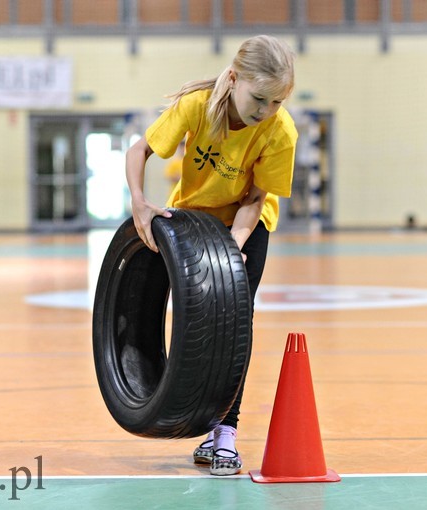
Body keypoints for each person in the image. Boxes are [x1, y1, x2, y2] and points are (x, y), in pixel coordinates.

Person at [124, 35, 297, 476]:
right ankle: (191, 412)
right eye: (259, 98)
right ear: (235, 79)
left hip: (247, 223)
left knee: (236, 321)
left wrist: (231, 252)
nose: (266, 111)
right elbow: (139, 149)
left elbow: (255, 198)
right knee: (194, 319)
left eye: (277, 102)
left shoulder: (280, 131)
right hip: (193, 215)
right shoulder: (198, 105)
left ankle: (225, 433)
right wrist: (139, 200)